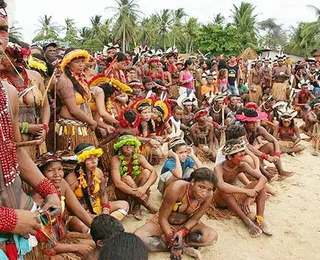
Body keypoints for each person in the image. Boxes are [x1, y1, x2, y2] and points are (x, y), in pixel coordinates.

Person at [0, 2, 60, 258]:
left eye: (2, 28)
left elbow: (12, 152)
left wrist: (49, 191)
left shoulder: (8, 93)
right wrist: (5, 219)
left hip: (19, 214)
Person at [134, 168, 218, 260]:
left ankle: (182, 245)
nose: (204, 193)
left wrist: (182, 232)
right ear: (193, 182)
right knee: (137, 237)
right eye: (201, 187)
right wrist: (171, 239)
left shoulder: (209, 195)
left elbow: (194, 219)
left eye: (209, 189)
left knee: (212, 236)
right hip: (164, 223)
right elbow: (162, 218)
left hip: (187, 224)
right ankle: (177, 245)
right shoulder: (176, 188)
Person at [33, 153, 94, 259]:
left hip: (63, 237)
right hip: (48, 248)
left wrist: (97, 230)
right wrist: (77, 247)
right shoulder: (37, 198)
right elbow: (45, 244)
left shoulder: (62, 184)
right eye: (50, 171)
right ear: (41, 173)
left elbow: (79, 210)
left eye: (60, 169)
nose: (57, 174)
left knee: (97, 244)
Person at [0, 40, 50, 160]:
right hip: (12, 140)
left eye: (4, 55)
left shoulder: (35, 76)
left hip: (37, 139)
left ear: (15, 57)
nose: (0, 58)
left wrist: (44, 128)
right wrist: (26, 127)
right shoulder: (1, 81)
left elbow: (45, 107)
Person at [214, 139, 272, 238]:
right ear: (229, 157)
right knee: (224, 191)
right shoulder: (218, 168)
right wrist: (247, 191)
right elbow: (221, 186)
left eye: (243, 155)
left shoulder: (242, 165)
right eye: (240, 156)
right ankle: (246, 220)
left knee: (261, 186)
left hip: (235, 196)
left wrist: (252, 193)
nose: (243, 158)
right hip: (221, 200)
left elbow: (263, 178)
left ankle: (260, 219)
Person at [66, 143, 129, 223]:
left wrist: (105, 209)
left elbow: (103, 193)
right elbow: (69, 205)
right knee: (79, 223)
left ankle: (104, 223)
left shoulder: (98, 172)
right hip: (81, 214)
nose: (94, 161)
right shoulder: (72, 178)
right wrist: (88, 215)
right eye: (89, 158)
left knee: (124, 205)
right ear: (81, 161)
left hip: (97, 207)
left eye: (95, 157)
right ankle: (105, 224)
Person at [56, 48, 98, 151]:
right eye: (77, 62)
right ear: (68, 64)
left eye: (82, 61)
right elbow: (73, 109)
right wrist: (91, 122)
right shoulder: (65, 81)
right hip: (72, 128)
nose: (81, 64)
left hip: (83, 125)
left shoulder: (80, 77)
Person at [110, 134, 158, 220]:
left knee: (147, 172)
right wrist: (138, 193)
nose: (129, 148)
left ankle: (137, 206)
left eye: (131, 146)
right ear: (120, 147)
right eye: (126, 146)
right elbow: (117, 183)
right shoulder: (116, 159)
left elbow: (154, 173)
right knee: (127, 178)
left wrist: (144, 188)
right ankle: (147, 205)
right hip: (121, 191)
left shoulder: (139, 157)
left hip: (135, 187)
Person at [236, 108, 293, 179]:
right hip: (243, 155)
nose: (254, 125)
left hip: (253, 152)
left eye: (255, 122)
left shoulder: (259, 129)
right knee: (252, 156)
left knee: (271, 146)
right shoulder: (241, 132)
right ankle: (266, 175)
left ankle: (281, 171)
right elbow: (248, 146)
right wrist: (266, 156)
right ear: (245, 123)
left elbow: (274, 140)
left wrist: (277, 154)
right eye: (251, 123)